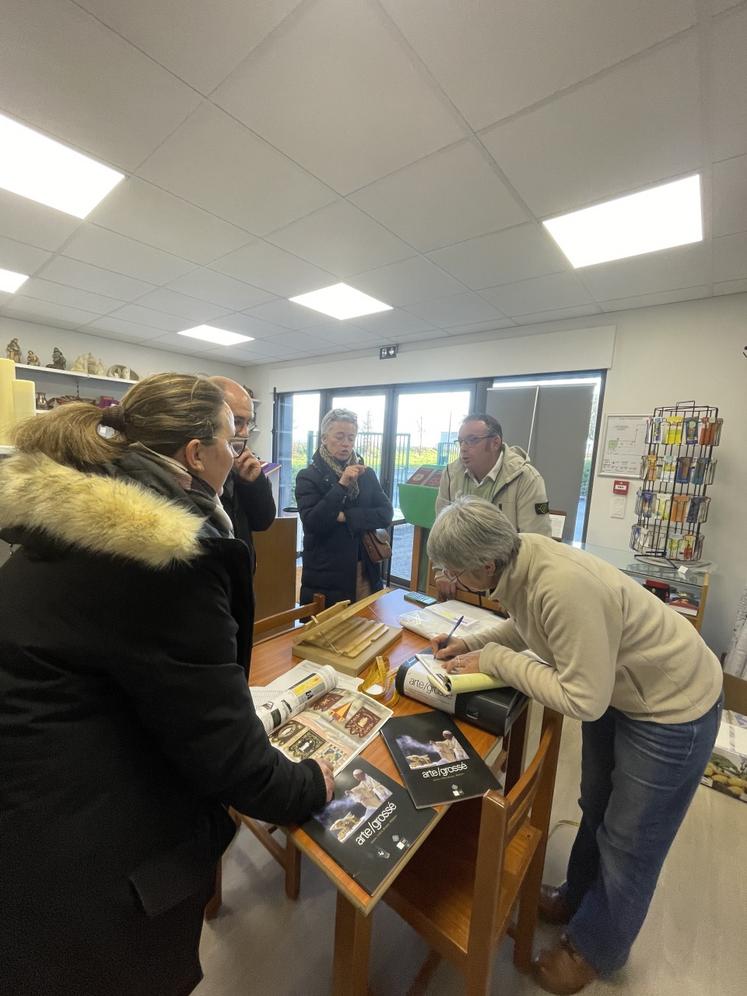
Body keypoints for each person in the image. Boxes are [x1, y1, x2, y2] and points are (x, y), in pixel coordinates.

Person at [0, 373, 334, 996]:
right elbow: (224, 748)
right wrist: (307, 784)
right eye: (231, 441)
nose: (238, 455)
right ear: (194, 454)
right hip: (88, 864)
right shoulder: (161, 556)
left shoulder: (80, 513)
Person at [427, 497, 722, 995]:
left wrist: (494, 660)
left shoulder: (563, 585)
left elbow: (582, 699)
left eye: (455, 573)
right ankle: (576, 897)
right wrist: (479, 645)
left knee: (631, 841)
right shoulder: (520, 556)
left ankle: (595, 949)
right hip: (622, 690)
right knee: (597, 806)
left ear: (484, 563)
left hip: (672, 706)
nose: (452, 581)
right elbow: (528, 622)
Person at [435, 413, 551, 599]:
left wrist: (514, 589)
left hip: (508, 586)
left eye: (472, 440)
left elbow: (536, 541)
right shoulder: (451, 474)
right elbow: (441, 528)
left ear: (495, 442)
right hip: (462, 581)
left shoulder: (526, 477)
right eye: (461, 441)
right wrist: (443, 570)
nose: (463, 448)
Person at [295, 407, 393, 608]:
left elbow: (385, 514)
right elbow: (314, 522)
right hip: (326, 573)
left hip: (365, 568)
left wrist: (346, 517)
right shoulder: (308, 476)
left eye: (351, 437)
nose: (346, 444)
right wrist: (342, 484)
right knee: (326, 634)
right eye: (339, 437)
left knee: (367, 631)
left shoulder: (366, 474)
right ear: (324, 438)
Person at [208, 376, 275, 573]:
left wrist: (255, 482)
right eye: (237, 422)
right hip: (212, 579)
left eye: (248, 423)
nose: (245, 432)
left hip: (241, 575)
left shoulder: (244, 461)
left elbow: (263, 522)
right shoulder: (195, 468)